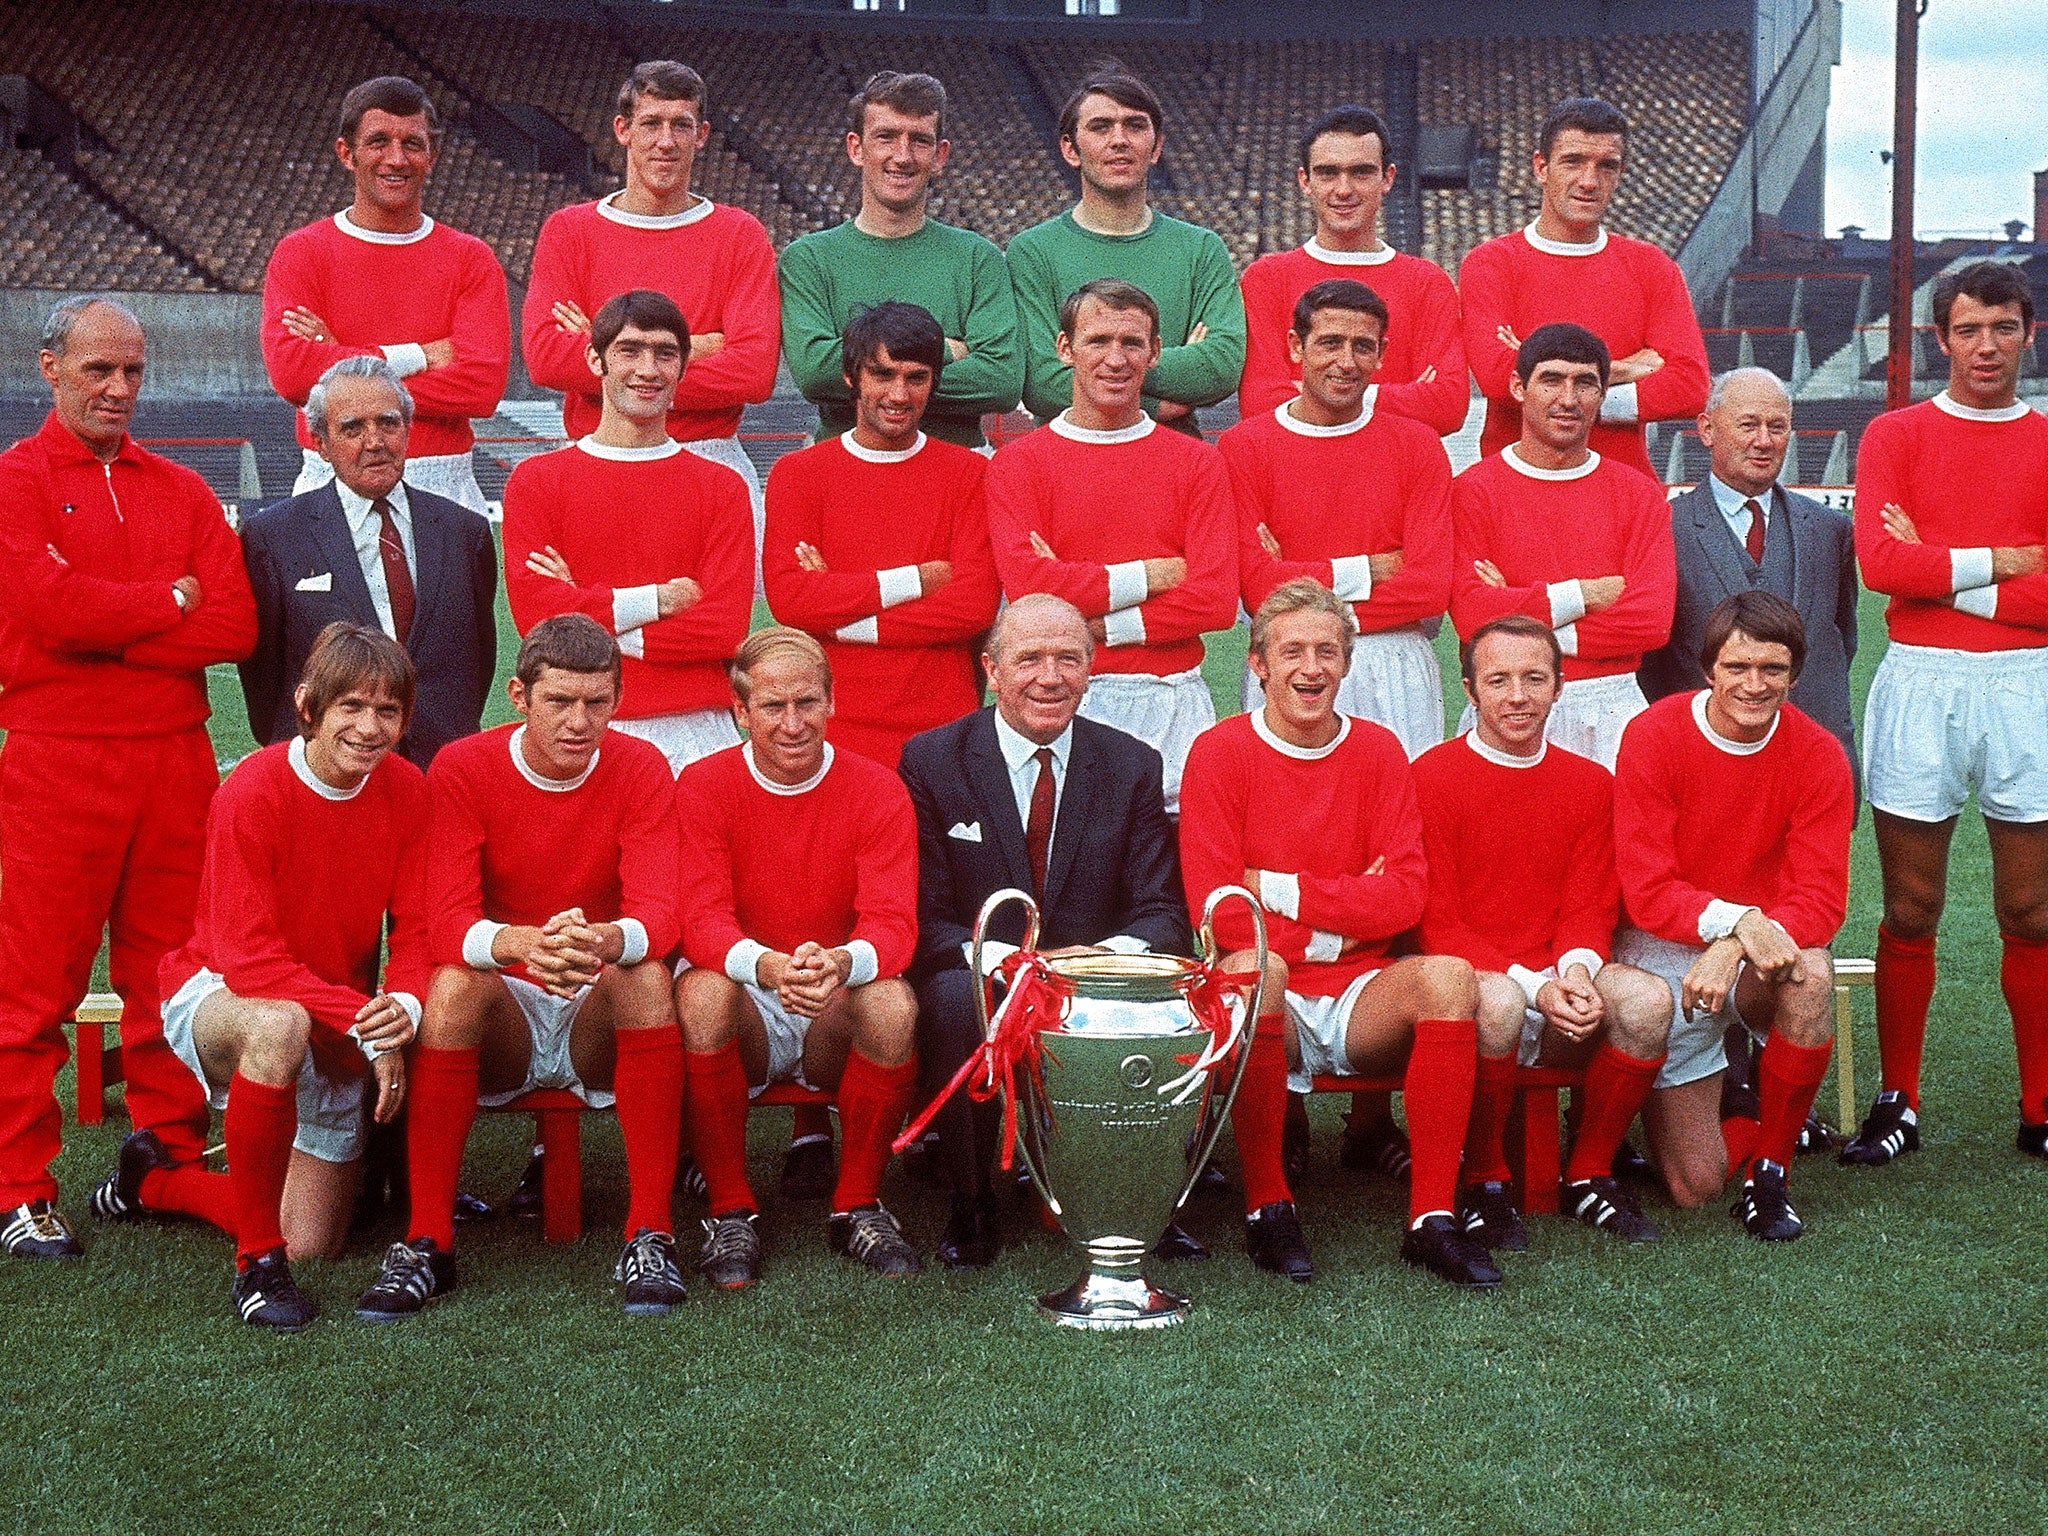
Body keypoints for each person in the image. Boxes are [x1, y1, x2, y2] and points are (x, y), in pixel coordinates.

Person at [0, 297, 257, 1260]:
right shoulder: (17, 480)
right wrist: (163, 602)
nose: (117, 389)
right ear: (51, 367)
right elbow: (44, 606)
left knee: (170, 971)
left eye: (133, 373)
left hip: (175, 758)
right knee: (36, 986)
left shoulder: (183, 489)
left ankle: (166, 1158)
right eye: (98, 370)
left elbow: (232, 627)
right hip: (56, 759)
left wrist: (105, 630)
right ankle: (21, 1186)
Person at [354, 615, 689, 1320]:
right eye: (559, 701)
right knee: (451, 985)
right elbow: (445, 920)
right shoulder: (464, 766)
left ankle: (650, 1231)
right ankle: (427, 1240)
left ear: (617, 701)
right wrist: (524, 945)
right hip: (505, 1010)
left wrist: (594, 941)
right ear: (518, 695)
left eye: (597, 702)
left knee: (649, 974)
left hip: (595, 1004)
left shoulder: (642, 767)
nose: (579, 721)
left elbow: (662, 914)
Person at [1179, 579, 1497, 1289]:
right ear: (1258, 663)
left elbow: (1405, 898)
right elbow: (1222, 912)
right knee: (1257, 970)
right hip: (1270, 994)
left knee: (1447, 976)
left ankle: (1433, 1219)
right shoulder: (1220, 752)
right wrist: (1345, 922)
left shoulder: (1380, 752)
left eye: (1328, 650)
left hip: (1361, 994)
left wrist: (1282, 890)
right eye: (1292, 651)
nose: (1311, 668)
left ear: (1349, 663)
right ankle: (1269, 1206)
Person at [121, 626, 428, 1329]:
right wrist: (363, 1022)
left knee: (316, 1240)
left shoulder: (408, 792)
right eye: (351, 706)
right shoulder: (255, 787)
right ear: (308, 705)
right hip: (221, 992)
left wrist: (399, 1007)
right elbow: (247, 956)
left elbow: (417, 927)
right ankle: (258, 1265)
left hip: (334, 1009)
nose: (368, 727)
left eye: (388, 711)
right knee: (279, 1023)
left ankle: (157, 1183)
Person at [898, 594, 1192, 1268]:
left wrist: (1096, 961)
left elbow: (1163, 912)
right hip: (987, 973)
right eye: (1028, 659)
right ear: (992, 670)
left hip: (1093, 980)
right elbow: (924, 914)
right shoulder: (931, 760)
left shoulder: (1133, 764)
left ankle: (1137, 1197)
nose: (1049, 677)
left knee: (1166, 995)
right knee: (950, 998)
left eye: (1069, 658)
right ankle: (970, 1203)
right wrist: (1010, 962)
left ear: (1091, 669)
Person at [1845, 261, 2048, 1166]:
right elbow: (1883, 567)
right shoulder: (1895, 434)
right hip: (1921, 679)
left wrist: (1946, 568)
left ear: (2029, 333)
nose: (1987, 347)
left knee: (2034, 910)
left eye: (2003, 327)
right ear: (1939, 339)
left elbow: (1928, 569)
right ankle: (1900, 1100)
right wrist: (2008, 563)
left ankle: (2040, 1103)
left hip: (2027, 684)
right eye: (1968, 330)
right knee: (1913, 904)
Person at [1413, 615, 1672, 1251]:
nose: (1518, 696)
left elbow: (1590, 904)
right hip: (1484, 982)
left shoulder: (1590, 784)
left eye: (1535, 678)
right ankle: (1485, 1179)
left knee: (1647, 1000)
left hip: (1559, 972)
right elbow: (1438, 921)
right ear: (1469, 690)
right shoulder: (1429, 777)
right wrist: (1536, 985)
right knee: (1497, 1001)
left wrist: (1577, 973)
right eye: (1498, 680)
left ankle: (1588, 1171)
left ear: (1559, 687)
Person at [675, 629, 922, 1286]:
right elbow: (700, 919)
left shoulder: (876, 787)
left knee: (894, 1003)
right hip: (749, 988)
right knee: (699, 992)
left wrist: (841, 963)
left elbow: (895, 923)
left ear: (832, 701)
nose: (792, 723)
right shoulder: (703, 785)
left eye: (807, 703)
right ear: (739, 711)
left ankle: (858, 1203)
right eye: (772, 707)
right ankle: (730, 1206)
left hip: (829, 996)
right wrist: (767, 966)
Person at [1613, 592, 1853, 1240]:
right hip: (1664, 944)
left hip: (1755, 950)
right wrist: (1736, 923)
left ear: (1795, 674)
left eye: (1772, 670)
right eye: (1738, 667)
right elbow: (1646, 889)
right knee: (1693, 1187)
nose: (1754, 685)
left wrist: (1737, 942)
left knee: (1811, 975)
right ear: (1708, 668)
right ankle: (1735, 1102)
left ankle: (1770, 1175)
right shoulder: (1654, 733)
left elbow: (1823, 897)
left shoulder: (1820, 753)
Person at [984, 279, 1236, 815]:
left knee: (1166, 879)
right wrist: (1155, 575)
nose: (1115, 359)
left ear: (1155, 352)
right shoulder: (1019, 463)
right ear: (1064, 348)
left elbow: (1214, 600)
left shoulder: (1196, 462)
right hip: (1069, 695)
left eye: (1132, 343)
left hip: (1173, 697)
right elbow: (1031, 591)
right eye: (1098, 341)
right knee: (1069, 876)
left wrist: (1095, 622)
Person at [504, 289, 753, 775]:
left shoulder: (722, 487)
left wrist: (582, 610)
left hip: (696, 727)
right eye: (629, 351)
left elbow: (723, 628)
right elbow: (538, 620)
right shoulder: (537, 481)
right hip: (585, 726)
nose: (648, 369)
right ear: (596, 360)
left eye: (665, 354)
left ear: (682, 369)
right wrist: (660, 600)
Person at [523, 61, 778, 535]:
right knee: (592, 608)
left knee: (709, 609)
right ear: (623, 129)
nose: (666, 141)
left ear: (701, 135)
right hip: (596, 452)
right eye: (651, 124)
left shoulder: (739, 234)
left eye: (681, 125)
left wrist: (605, 345)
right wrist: (700, 345)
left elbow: (755, 372)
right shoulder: (570, 230)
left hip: (708, 455)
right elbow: (544, 359)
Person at [1220, 278, 1453, 760]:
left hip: (1395, 662)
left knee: (1396, 820)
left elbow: (1430, 586)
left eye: (1362, 346)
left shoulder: (1417, 445)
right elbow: (1256, 587)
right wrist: (1373, 568)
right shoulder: (1245, 446)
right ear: (1295, 347)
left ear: (1382, 354)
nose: (1346, 362)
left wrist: (1296, 579)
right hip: (1292, 661)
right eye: (1329, 342)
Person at [763, 301, 1000, 770]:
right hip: (835, 726)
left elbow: (973, 605)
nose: (899, 393)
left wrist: (842, 614)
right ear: (852, 377)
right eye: (882, 374)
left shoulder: (971, 473)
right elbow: (791, 600)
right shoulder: (799, 473)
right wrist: (918, 580)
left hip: (944, 725)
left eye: (916, 378)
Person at [262, 76, 508, 514]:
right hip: (330, 478)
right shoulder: (301, 252)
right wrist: (419, 355)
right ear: (347, 153)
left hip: (441, 479)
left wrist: (344, 369)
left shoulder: (471, 258)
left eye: (412, 144)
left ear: (431, 156)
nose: (396, 159)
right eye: (378, 141)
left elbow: (481, 388)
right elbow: (292, 374)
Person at [240, 357, 497, 770]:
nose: (374, 441)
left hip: (441, 767)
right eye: (352, 428)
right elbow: (264, 678)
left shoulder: (465, 532)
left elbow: (478, 663)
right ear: (320, 443)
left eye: (387, 423)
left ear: (408, 431)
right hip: (329, 771)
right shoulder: (274, 537)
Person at [1450, 322, 1675, 769]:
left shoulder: (1639, 493)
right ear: (1519, 386)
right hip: (1508, 703)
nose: (1568, 399)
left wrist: (1517, 616)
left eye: (1585, 383)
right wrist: (1585, 596)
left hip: (1610, 703)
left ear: (1603, 393)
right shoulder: (1472, 491)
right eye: (1551, 380)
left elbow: (1650, 622)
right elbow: (1473, 617)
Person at [1457, 96, 1708, 480]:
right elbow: (1496, 378)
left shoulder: (1651, 267)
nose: (1589, 181)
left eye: (1606, 166)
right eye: (1573, 162)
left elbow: (1690, 386)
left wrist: (1539, 371)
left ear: (1620, 173)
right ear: (1542, 168)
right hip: (1513, 491)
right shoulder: (1492, 263)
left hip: (1624, 492)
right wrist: (1625, 369)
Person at [779, 71, 1021, 450]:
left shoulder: (978, 258)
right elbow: (814, 375)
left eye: (920, 140)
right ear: (856, 148)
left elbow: (1002, 381)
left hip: (958, 471)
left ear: (940, 155)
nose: (903, 156)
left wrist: (865, 368)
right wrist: (946, 350)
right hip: (843, 469)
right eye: (886, 137)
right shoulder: (808, 259)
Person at [1638, 367, 1859, 778]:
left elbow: (1842, 640)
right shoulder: (1662, 529)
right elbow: (1651, 662)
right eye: (1748, 425)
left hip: (1811, 761)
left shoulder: (1831, 529)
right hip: (1703, 762)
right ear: (1706, 429)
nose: (1764, 441)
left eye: (1777, 427)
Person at [1005, 64, 1244, 435]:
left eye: (1134, 125)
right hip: (1066, 465)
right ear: (1070, 148)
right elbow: (1041, 383)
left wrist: (1093, 370)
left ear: (1156, 146)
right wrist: (1155, 401)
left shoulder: (1201, 249)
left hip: (1174, 465)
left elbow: (1221, 366)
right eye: (1101, 127)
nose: (1119, 139)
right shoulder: (1032, 252)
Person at [1237, 107, 1467, 435]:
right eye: (1328, 173)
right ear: (1305, 180)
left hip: (1395, 475)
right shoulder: (1267, 278)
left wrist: (1310, 393)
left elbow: (1446, 407)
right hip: (1297, 475)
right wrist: (1400, 396)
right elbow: (1260, 404)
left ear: (1387, 178)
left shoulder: (1427, 282)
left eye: (1360, 172)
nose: (1344, 189)